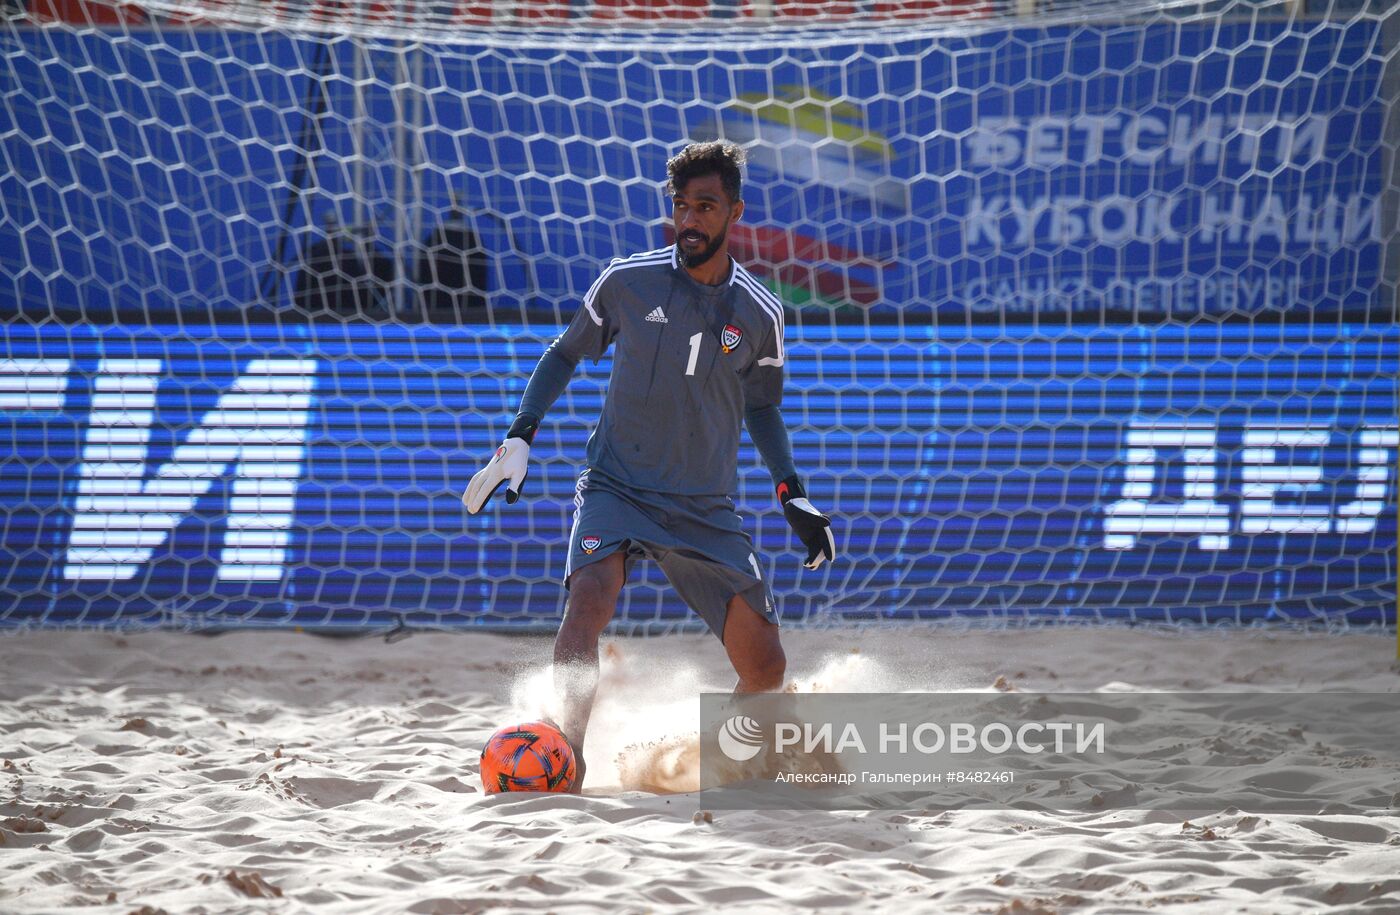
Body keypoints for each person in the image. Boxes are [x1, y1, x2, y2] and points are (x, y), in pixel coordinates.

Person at [462, 141, 836, 790]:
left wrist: (791, 492)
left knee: (766, 666)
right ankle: (568, 758)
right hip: (617, 486)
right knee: (588, 601)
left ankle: (714, 761)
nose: (689, 220)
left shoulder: (760, 312)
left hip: (703, 507)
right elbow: (562, 354)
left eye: (705, 207)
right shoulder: (627, 282)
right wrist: (519, 434)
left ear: (734, 213)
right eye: (681, 206)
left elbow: (764, 409)